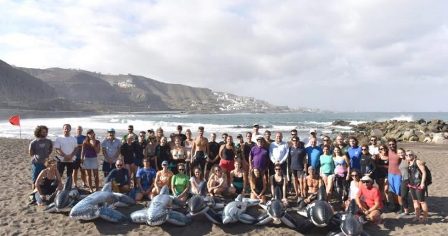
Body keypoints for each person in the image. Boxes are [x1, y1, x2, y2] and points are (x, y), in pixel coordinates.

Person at [406, 150, 429, 223]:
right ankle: (417, 216)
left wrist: (422, 183)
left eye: (410, 155)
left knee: (422, 201)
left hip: (419, 184)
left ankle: (425, 217)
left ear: (414, 155)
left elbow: (424, 172)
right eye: (407, 155)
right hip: (412, 184)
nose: (409, 156)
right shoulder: (408, 162)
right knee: (415, 201)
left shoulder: (417, 161)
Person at [29, 125, 53, 190]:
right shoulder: (33, 142)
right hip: (37, 163)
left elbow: (51, 149)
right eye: (43, 132)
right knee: (35, 179)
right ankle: (33, 193)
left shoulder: (49, 141)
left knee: (44, 178)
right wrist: (38, 156)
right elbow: (31, 153)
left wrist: (47, 155)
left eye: (45, 132)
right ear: (38, 132)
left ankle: (42, 191)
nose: (45, 133)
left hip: (46, 163)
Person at [387, 138, 402, 212]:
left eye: (393, 144)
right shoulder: (388, 151)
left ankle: (401, 206)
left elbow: (407, 158)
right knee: (391, 190)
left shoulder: (399, 152)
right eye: (390, 144)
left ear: (395, 144)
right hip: (390, 174)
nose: (391, 145)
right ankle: (394, 205)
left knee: (398, 191)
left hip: (398, 174)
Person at [397, 148, 410, 217]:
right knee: (403, 195)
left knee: (404, 196)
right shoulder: (399, 160)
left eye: (401, 152)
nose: (400, 154)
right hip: (402, 179)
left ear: (404, 152)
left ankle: (406, 211)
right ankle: (406, 210)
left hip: (408, 179)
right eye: (399, 153)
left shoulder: (408, 159)